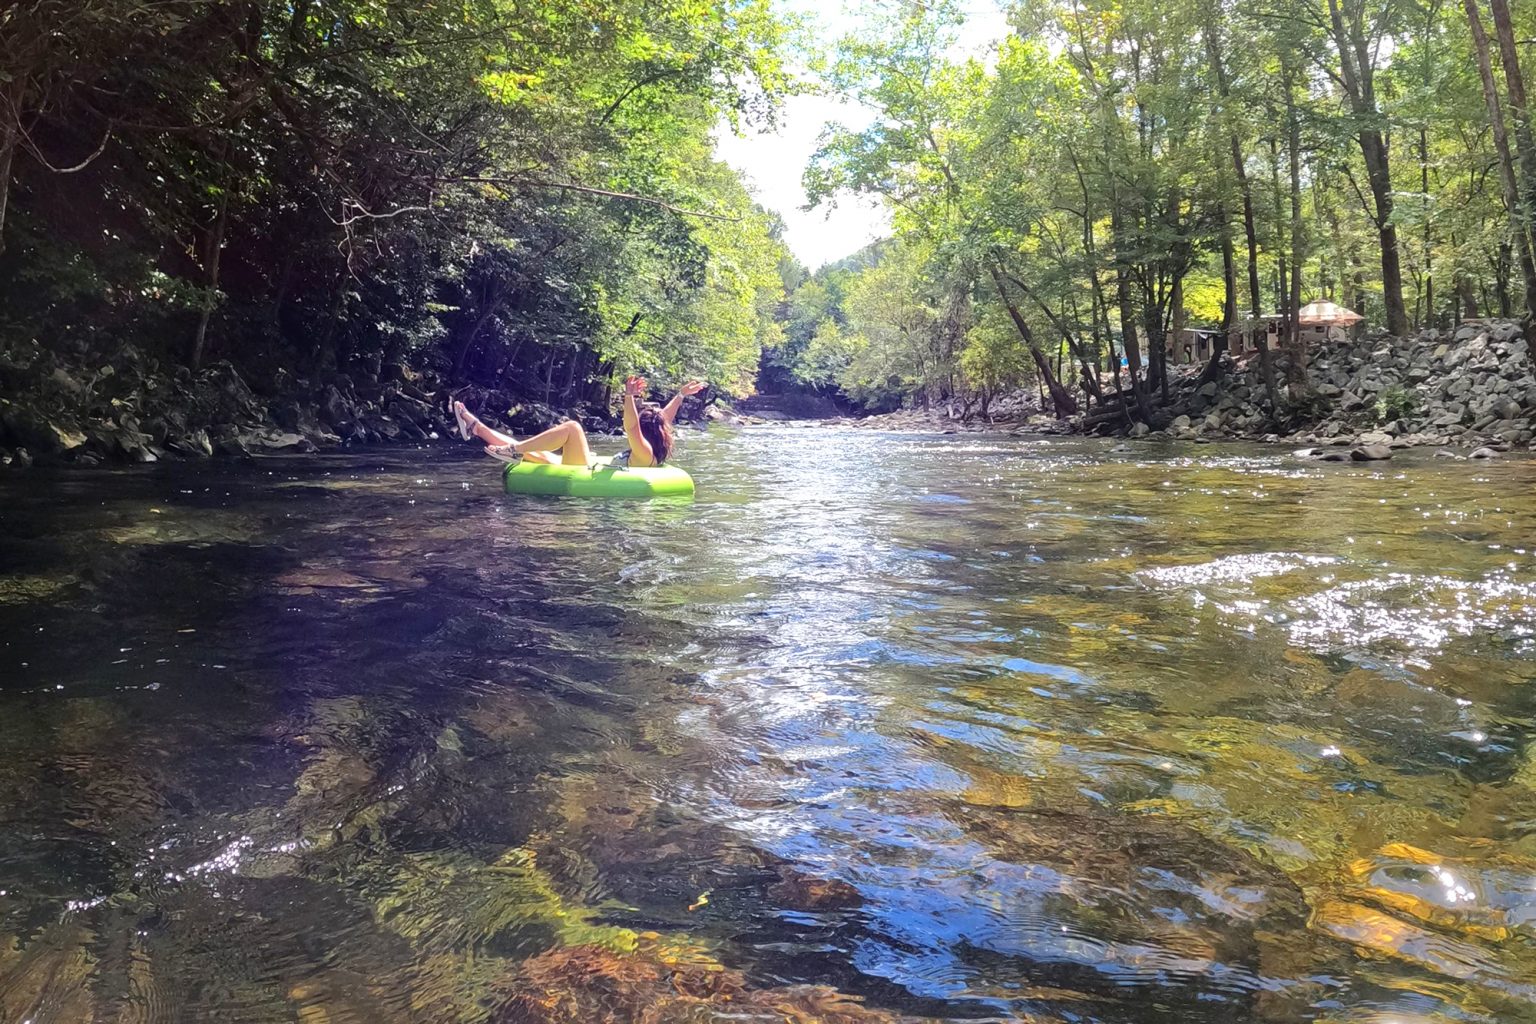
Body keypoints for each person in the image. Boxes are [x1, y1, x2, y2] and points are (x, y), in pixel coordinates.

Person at [451, 376, 705, 468]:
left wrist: (629, 396)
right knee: (534, 451)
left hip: (585, 471)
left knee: (573, 427)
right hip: (590, 466)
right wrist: (680, 395)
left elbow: (631, 427)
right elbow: (663, 419)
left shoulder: (645, 451)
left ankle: (514, 450)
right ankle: (474, 426)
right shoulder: (652, 449)